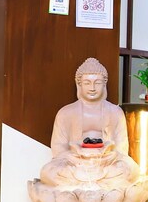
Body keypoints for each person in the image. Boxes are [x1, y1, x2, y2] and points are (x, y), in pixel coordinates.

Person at [39, 58, 139, 186]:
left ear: (104, 84)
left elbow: (121, 147)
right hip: (75, 162)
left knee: (130, 170)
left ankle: (84, 187)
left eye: (97, 83)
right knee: (48, 172)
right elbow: (58, 148)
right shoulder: (65, 112)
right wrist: (75, 156)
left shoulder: (115, 112)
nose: (92, 88)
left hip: (106, 162)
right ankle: (99, 187)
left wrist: (109, 156)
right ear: (79, 84)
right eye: (87, 83)